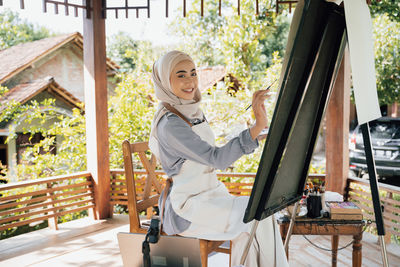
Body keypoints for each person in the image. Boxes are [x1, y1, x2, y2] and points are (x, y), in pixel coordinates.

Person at [149, 50, 288, 267]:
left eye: (193, 73)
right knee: (253, 219)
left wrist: (252, 132)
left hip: (211, 196)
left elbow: (204, 151)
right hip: (187, 208)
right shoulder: (170, 124)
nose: (190, 81)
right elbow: (217, 159)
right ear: (165, 80)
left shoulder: (190, 111)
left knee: (259, 213)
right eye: (181, 75)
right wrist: (256, 126)